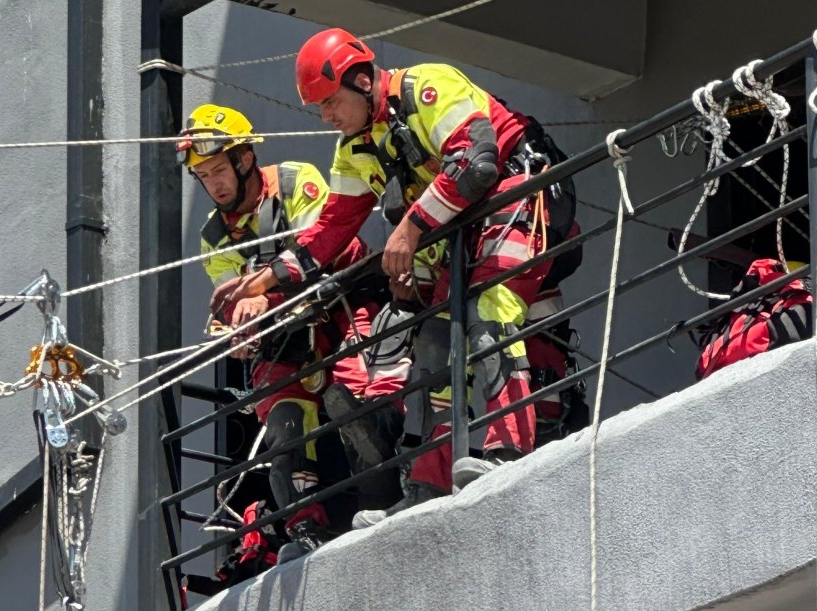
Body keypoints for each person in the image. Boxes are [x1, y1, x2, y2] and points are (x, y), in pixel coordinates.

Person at [209, 28, 579, 527]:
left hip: (522, 195)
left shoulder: (427, 85)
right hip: (461, 230)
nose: (326, 116)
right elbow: (328, 231)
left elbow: (478, 160)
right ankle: (428, 483)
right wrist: (260, 282)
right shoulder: (353, 151)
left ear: (362, 81)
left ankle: (507, 449)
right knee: (431, 343)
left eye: (331, 102)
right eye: (318, 107)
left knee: (489, 309)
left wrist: (409, 229)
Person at [179, 104, 407, 561]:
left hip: (344, 298)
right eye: (204, 176)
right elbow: (234, 304)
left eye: (220, 169)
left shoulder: (293, 182)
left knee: (357, 393)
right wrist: (239, 332)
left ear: (244, 160)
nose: (215, 184)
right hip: (285, 334)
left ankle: (382, 498)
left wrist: (264, 299)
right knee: (284, 421)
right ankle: (304, 528)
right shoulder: (214, 238)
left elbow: (317, 252)